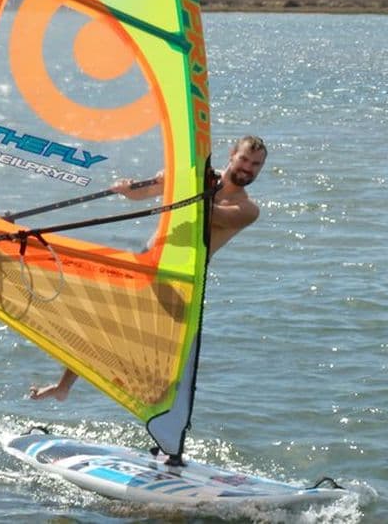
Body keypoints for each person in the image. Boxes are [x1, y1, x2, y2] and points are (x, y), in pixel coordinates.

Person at [28, 135, 268, 401]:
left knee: (159, 350)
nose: (248, 168)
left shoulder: (247, 209)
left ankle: (156, 407)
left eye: (255, 164)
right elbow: (142, 193)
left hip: (180, 280)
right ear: (232, 154)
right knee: (102, 324)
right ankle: (63, 387)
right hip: (148, 262)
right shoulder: (198, 178)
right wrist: (129, 188)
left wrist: (181, 182)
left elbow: (209, 213)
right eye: (244, 159)